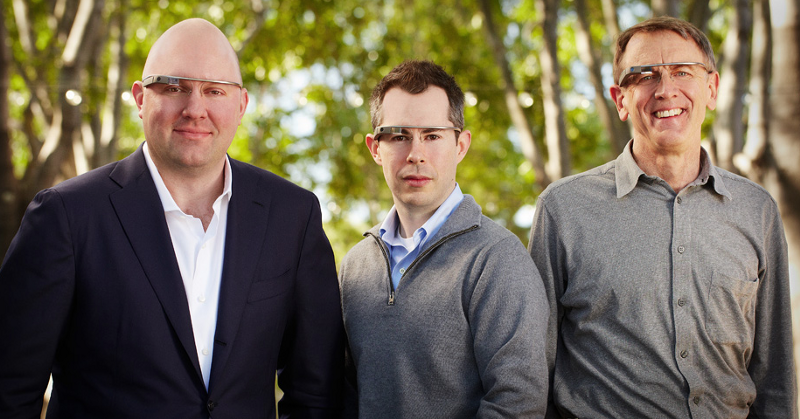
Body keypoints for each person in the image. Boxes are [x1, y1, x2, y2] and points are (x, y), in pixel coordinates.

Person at [0, 18, 344, 418]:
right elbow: (9, 391)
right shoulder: (66, 217)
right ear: (140, 99)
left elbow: (317, 393)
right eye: (173, 87)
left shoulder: (292, 216)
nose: (195, 109)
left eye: (214, 90)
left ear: (241, 105)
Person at [528, 16, 797, 418]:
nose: (666, 89)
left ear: (712, 88)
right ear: (620, 100)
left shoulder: (756, 209)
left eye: (682, 71)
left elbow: (774, 377)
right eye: (645, 75)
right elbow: (532, 368)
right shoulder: (563, 209)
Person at [339, 60, 549, 418]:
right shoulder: (355, 267)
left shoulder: (497, 259)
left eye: (432, 135)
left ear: (461, 145)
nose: (416, 154)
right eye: (399, 136)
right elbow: (342, 392)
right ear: (375, 148)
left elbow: (518, 403)